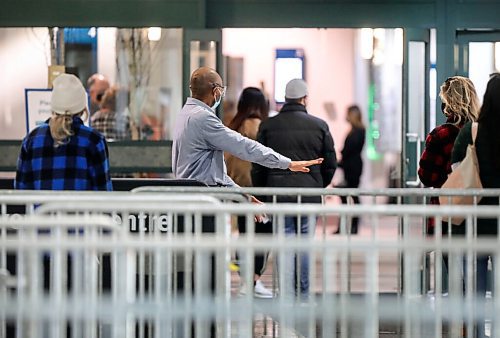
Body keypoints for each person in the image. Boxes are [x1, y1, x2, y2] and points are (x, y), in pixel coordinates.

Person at [252, 78, 337, 298]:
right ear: (304, 98)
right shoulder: (319, 126)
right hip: (309, 195)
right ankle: (304, 293)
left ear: (286, 98)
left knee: (285, 241)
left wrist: (263, 190)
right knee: (305, 243)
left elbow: (258, 163)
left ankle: (287, 293)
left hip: (278, 194)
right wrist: (319, 184)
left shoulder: (268, 126)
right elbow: (330, 162)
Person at [172, 67, 323, 189]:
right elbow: (244, 146)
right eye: (222, 91)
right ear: (216, 91)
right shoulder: (203, 118)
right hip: (202, 201)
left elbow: (212, 172)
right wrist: (287, 163)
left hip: (193, 195)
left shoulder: (184, 114)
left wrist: (243, 195)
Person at [451, 73, 500, 338]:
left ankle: (478, 334)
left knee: (476, 285)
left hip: (477, 218)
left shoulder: (473, 131)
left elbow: (456, 167)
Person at [15, 73, 112, 191]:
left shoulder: (32, 140)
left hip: (42, 210)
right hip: (81, 209)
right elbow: (103, 192)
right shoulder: (94, 140)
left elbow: (21, 189)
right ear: (83, 108)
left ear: (53, 108)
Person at [225, 87, 273, 298]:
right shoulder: (263, 128)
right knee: (263, 236)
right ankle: (253, 281)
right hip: (258, 190)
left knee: (245, 235)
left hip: (238, 190)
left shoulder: (232, 126)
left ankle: (247, 281)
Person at [418, 76, 480, 236]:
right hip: (481, 212)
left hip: (448, 213)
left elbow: (427, 177)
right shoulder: (484, 132)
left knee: (453, 259)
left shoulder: (441, 134)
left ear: (448, 103)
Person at [336, 105, 366, 234]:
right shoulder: (355, 130)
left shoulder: (359, 130)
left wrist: (343, 153)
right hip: (350, 166)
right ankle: (347, 226)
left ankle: (351, 226)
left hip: (353, 167)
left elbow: (351, 149)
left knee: (352, 196)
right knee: (349, 196)